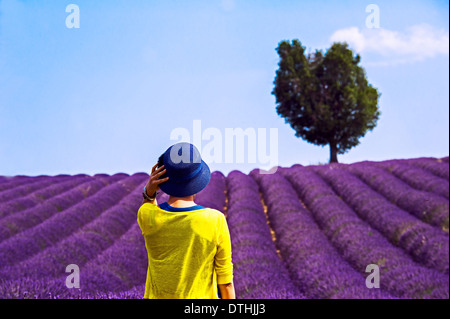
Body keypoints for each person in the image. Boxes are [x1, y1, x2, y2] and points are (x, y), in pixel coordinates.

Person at [137, 142, 235, 299]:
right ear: (198, 180)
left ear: (161, 179)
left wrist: (149, 191)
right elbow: (226, 283)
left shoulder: (147, 215)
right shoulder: (215, 220)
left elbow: (148, 203)